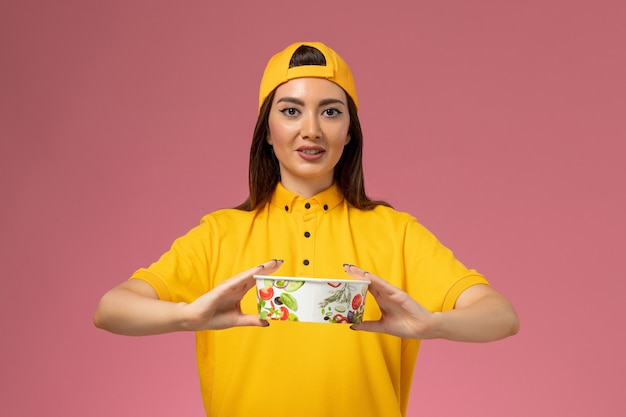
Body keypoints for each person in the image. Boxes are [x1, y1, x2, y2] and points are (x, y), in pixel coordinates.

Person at [94, 41, 519, 417]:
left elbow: (500, 315)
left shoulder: (397, 233)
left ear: (349, 131)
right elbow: (111, 309)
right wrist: (185, 316)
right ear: (267, 131)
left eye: (330, 112)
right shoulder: (219, 233)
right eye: (291, 111)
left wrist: (433, 325)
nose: (310, 130)